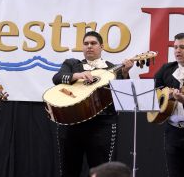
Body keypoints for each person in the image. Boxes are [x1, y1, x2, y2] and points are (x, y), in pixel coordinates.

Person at [52, 31, 134, 177]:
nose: (89, 46)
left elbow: (123, 96)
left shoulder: (112, 69)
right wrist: (77, 75)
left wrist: (126, 73)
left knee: (102, 171)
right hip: (72, 124)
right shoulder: (72, 64)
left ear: (101, 46)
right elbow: (57, 78)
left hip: (101, 125)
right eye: (86, 44)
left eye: (93, 43)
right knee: (69, 171)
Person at [154, 33, 184, 177]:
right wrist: (165, 95)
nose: (177, 50)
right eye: (175, 47)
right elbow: (153, 91)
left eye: (182, 47)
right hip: (173, 132)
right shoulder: (167, 69)